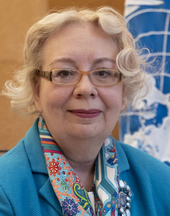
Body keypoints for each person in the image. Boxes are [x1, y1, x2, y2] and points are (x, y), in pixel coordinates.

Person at [0, 6, 170, 216]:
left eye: (104, 73)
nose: (86, 89)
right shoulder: (4, 189)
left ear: (124, 91)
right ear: (37, 91)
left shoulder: (162, 183)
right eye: (64, 73)